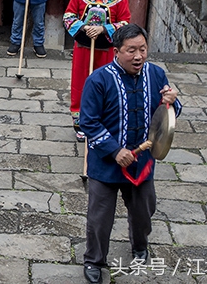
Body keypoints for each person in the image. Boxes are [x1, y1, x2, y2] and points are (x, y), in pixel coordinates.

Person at [79, 24, 181, 284]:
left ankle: (139, 246)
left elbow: (167, 114)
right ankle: (94, 260)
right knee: (99, 218)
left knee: (144, 211)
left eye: (143, 49)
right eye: (131, 50)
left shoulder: (156, 75)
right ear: (117, 51)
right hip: (106, 164)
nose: (138, 56)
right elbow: (88, 122)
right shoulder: (98, 80)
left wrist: (172, 101)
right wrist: (114, 150)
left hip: (142, 163)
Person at [63, 0, 130, 142]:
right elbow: (68, 16)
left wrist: (104, 29)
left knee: (105, 86)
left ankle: (102, 123)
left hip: (107, 51)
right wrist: (84, 27)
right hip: (83, 49)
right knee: (80, 85)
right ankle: (81, 124)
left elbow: (125, 22)